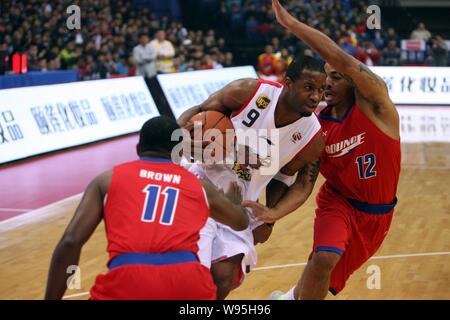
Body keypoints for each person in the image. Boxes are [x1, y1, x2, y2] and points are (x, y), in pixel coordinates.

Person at [251, 0, 401, 300]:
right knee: (323, 258)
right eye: (325, 77)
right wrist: (271, 214)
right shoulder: (315, 127)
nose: (327, 83)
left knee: (324, 275)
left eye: (336, 76)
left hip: (378, 214)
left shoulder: (377, 106)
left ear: (353, 80)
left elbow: (339, 57)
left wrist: (292, 25)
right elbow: (299, 177)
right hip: (338, 203)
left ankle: (286, 298)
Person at [44, 116, 250, 300]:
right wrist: (233, 203)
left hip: (128, 278)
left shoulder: (106, 180)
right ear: (178, 152)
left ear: (138, 148)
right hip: (188, 282)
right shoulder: (198, 186)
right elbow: (240, 222)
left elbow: (71, 242)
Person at [178, 55, 326, 299]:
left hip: (239, 202)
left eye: (320, 90)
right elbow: (201, 111)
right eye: (308, 87)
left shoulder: (312, 137)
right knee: (191, 270)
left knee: (224, 277)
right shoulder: (249, 92)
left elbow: (299, 182)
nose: (315, 97)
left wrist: (271, 217)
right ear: (288, 83)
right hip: (199, 181)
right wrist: (178, 138)